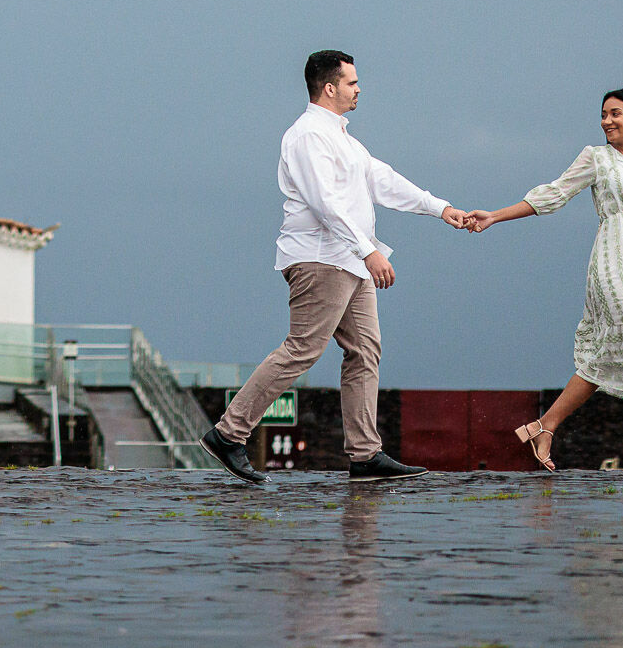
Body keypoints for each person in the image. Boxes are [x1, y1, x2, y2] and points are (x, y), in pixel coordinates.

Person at [201, 51, 471, 484]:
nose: (359, 89)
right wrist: (368, 250)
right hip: (321, 258)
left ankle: (365, 455)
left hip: (349, 260)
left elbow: (383, 180)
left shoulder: (345, 139)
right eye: (352, 82)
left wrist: (442, 208)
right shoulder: (307, 135)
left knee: (365, 350)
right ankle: (228, 434)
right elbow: (325, 204)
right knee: (303, 348)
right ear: (329, 87)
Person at [467, 89, 623, 477]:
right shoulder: (596, 158)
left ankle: (545, 426)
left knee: (618, 354)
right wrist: (495, 216)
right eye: (603, 115)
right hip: (613, 260)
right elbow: (553, 194)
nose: (606, 121)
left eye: (615, 113)